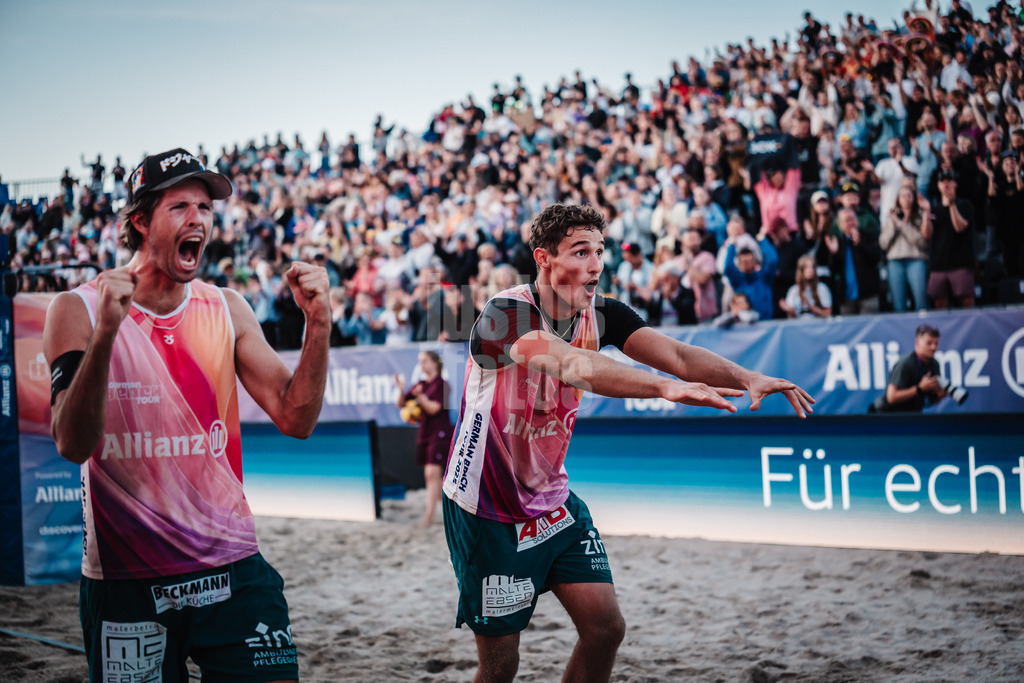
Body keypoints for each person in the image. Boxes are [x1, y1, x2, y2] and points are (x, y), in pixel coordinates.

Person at [442, 204, 813, 683]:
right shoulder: (504, 313)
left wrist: (748, 377)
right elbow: (570, 363)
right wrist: (662, 387)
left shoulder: (602, 312)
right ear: (543, 258)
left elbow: (678, 355)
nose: (596, 264)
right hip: (486, 507)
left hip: (551, 500)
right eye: (581, 252)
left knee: (605, 630)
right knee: (500, 665)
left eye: (600, 251)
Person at [43, 148, 330, 683]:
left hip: (231, 565)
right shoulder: (77, 309)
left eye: (205, 207)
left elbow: (297, 418)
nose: (198, 219)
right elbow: (72, 443)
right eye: (180, 206)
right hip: (127, 579)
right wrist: (107, 333)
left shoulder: (226, 306)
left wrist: (318, 324)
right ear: (139, 221)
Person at [394, 350, 454, 526]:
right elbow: (400, 404)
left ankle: (428, 518)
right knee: (435, 479)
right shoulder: (420, 384)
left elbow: (434, 408)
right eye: (420, 361)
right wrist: (400, 389)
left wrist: (420, 397)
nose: (421, 364)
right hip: (425, 432)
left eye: (425, 360)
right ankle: (452, 510)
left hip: (440, 432)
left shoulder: (443, 384)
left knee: (431, 474)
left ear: (435, 362)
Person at [871, 324, 948, 412]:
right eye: (929, 343)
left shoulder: (934, 364)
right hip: (886, 414)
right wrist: (919, 388)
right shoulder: (905, 364)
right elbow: (891, 397)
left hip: (912, 414)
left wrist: (941, 395)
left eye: (936, 343)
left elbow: (930, 400)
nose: (933, 347)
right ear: (917, 343)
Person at [880, 184, 932, 312]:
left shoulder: (920, 216)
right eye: (903, 196)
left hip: (916, 260)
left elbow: (922, 242)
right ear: (898, 199)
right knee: (898, 306)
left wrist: (901, 225)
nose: (906, 199)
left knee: (921, 302)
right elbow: (883, 244)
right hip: (895, 262)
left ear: (914, 198)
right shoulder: (891, 217)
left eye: (909, 196)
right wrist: (893, 226)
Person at [779, 254, 833, 318]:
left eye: (812, 267)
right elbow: (790, 317)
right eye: (807, 267)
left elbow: (828, 313)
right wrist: (787, 308)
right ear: (801, 270)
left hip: (818, 323)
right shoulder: (794, 290)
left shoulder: (821, 288)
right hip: (799, 322)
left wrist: (810, 306)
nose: (810, 270)